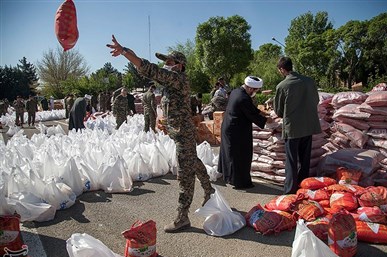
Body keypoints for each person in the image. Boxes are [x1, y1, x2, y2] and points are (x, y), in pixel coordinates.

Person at [107, 35, 214, 233]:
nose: (166, 65)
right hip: (179, 132)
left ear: (180, 66)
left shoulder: (178, 78)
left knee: (184, 173)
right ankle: (210, 191)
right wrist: (126, 50)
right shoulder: (170, 84)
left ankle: (183, 217)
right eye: (165, 62)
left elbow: (149, 69)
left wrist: (124, 53)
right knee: (194, 162)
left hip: (184, 134)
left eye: (170, 62)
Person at [274, 57, 322, 194]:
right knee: (305, 160)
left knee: (291, 161)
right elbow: (316, 100)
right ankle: (304, 187)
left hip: (293, 128)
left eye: (279, 70)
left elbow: (278, 111)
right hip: (309, 125)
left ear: (282, 69)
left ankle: (290, 191)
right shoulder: (309, 81)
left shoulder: (282, 86)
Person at [218, 76, 268, 189]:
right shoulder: (243, 97)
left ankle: (229, 177)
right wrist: (268, 120)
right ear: (250, 88)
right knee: (240, 156)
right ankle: (240, 182)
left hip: (230, 127)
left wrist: (261, 113)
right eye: (256, 90)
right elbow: (251, 114)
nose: (256, 92)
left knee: (231, 155)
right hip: (236, 131)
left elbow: (250, 108)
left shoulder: (237, 91)